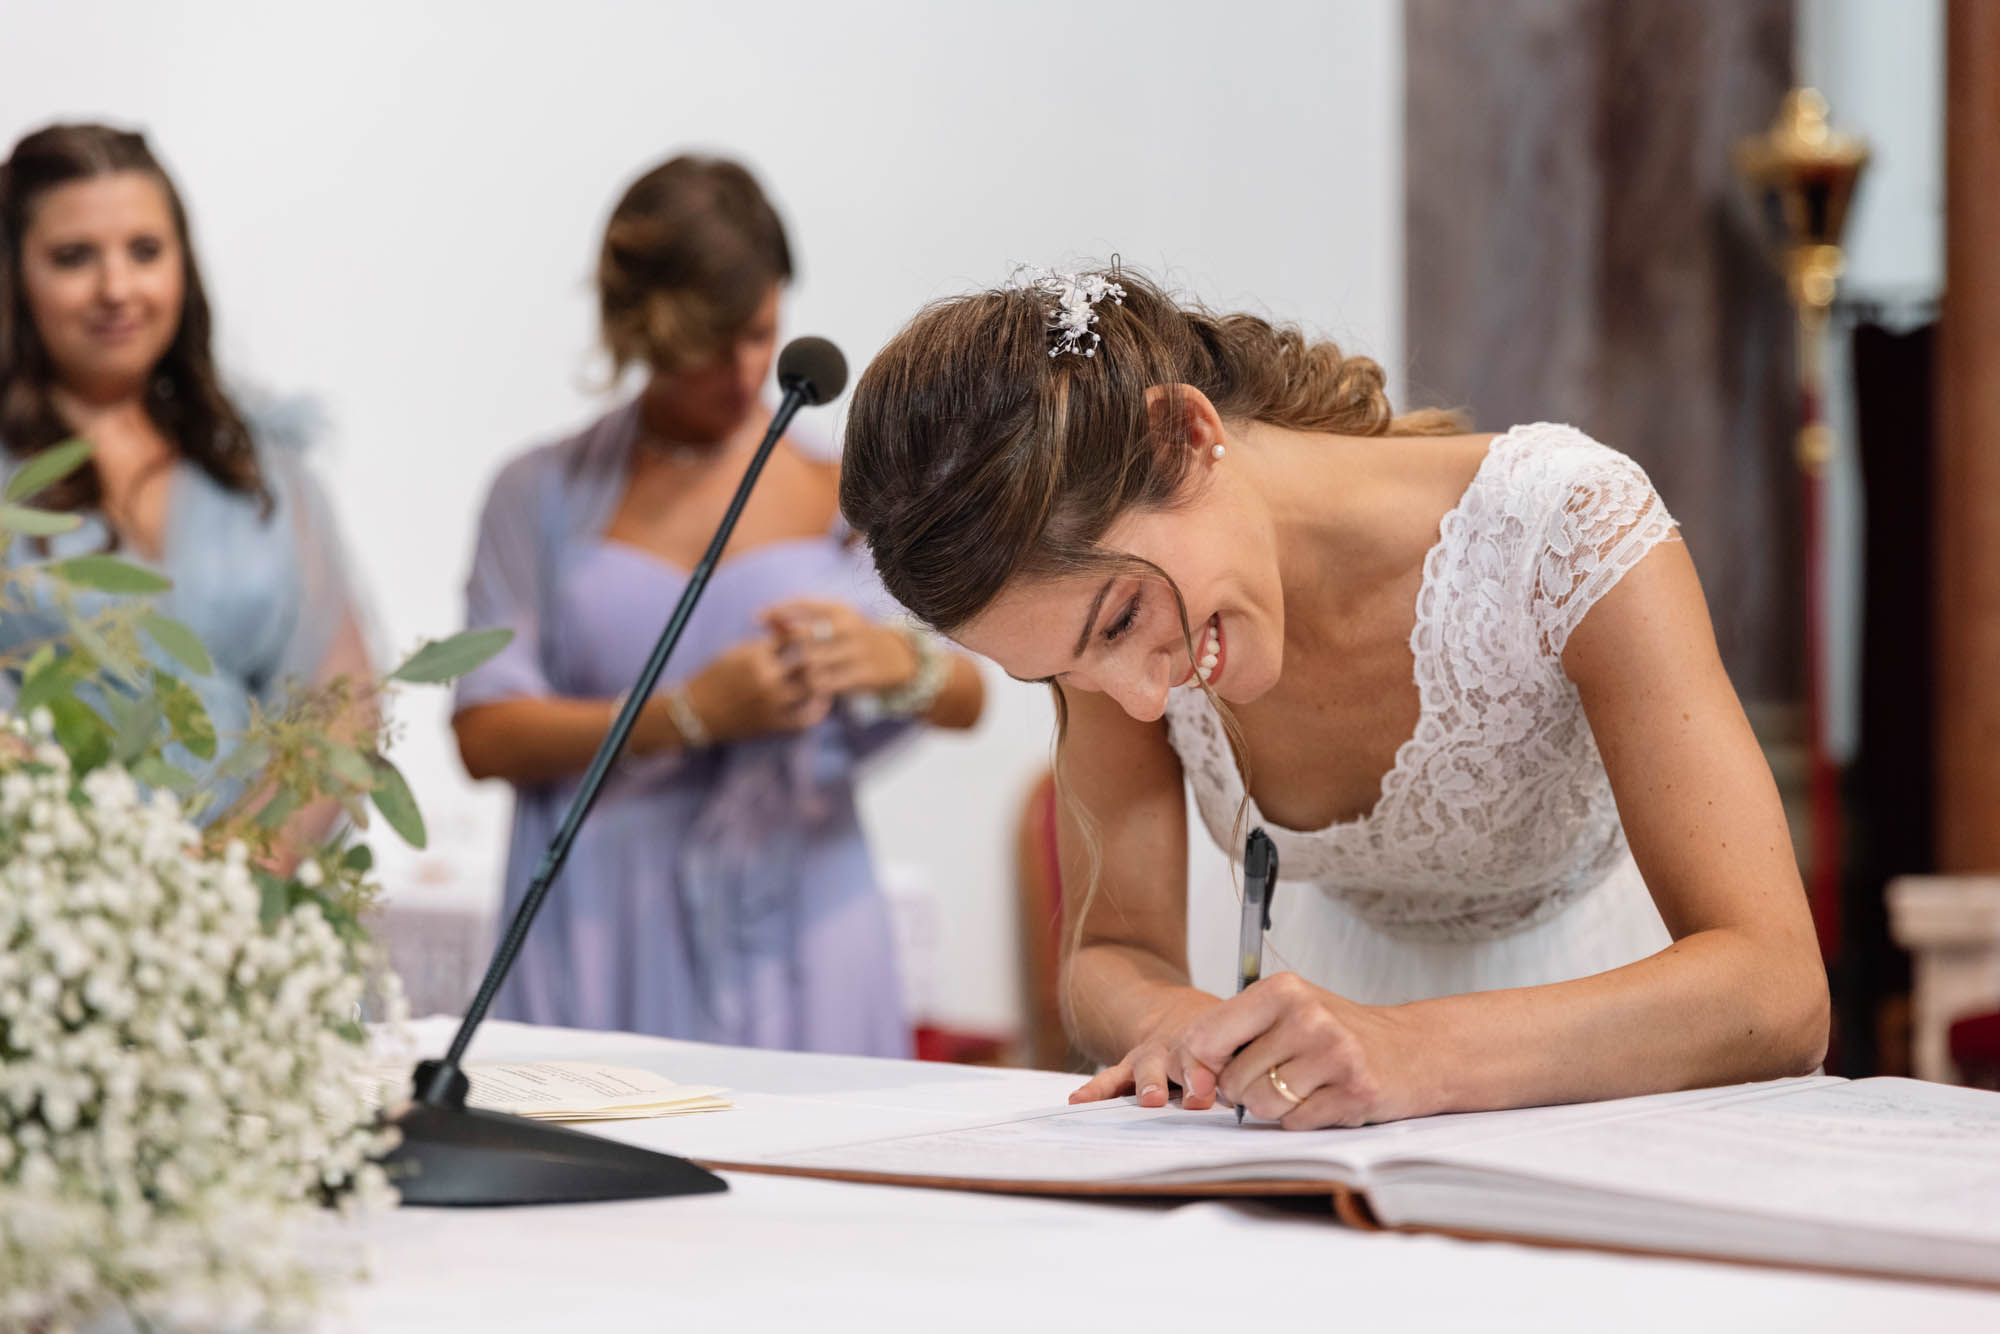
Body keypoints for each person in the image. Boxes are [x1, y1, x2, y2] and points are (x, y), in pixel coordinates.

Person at [837, 265, 1827, 1125]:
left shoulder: (1563, 524)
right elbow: (1109, 950)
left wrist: (1413, 1052)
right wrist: (1182, 1028)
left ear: (1183, 433)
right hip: (1329, 1100)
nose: (1139, 701)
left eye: (1119, 621)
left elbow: (1775, 986)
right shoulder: (1111, 629)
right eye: (1061, 676)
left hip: (1611, 1058)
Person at [452, 155, 982, 1055]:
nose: (745, 374)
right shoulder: (534, 495)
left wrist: (899, 665)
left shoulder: (839, 489)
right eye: (709, 348)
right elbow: (485, 733)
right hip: (602, 924)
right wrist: (689, 715)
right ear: (641, 334)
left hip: (802, 919)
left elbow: (971, 695)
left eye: (761, 334)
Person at [0, 123, 369, 852]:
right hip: (40, 897)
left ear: (184, 266)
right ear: (14, 274)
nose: (116, 288)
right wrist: (86, 851)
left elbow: (343, 696)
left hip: (246, 907)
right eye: (74, 258)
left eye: (145, 251)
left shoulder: (256, 462)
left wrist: (243, 864)